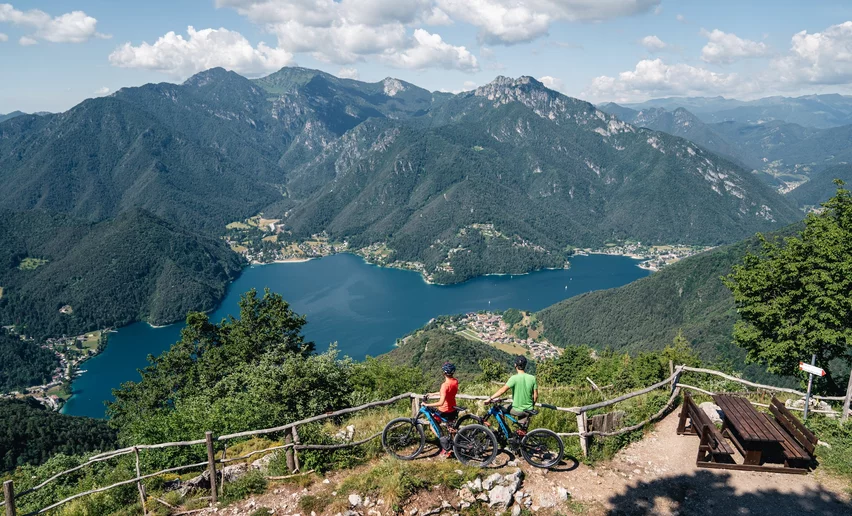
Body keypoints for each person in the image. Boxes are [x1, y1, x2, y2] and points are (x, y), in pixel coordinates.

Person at [487, 355, 538, 429]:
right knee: (522, 432)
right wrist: (531, 406)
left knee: (499, 408)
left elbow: (502, 391)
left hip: (517, 409)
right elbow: (536, 396)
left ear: (515, 365)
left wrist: (490, 398)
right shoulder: (532, 378)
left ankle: (504, 430)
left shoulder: (514, 378)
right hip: (528, 410)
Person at [424, 362, 459, 457]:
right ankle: (454, 449)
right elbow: (446, 393)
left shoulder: (445, 385)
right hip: (453, 409)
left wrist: (427, 404)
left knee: (433, 426)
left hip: (444, 411)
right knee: (451, 429)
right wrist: (432, 394)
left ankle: (445, 446)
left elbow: (441, 402)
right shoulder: (455, 381)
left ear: (444, 373)